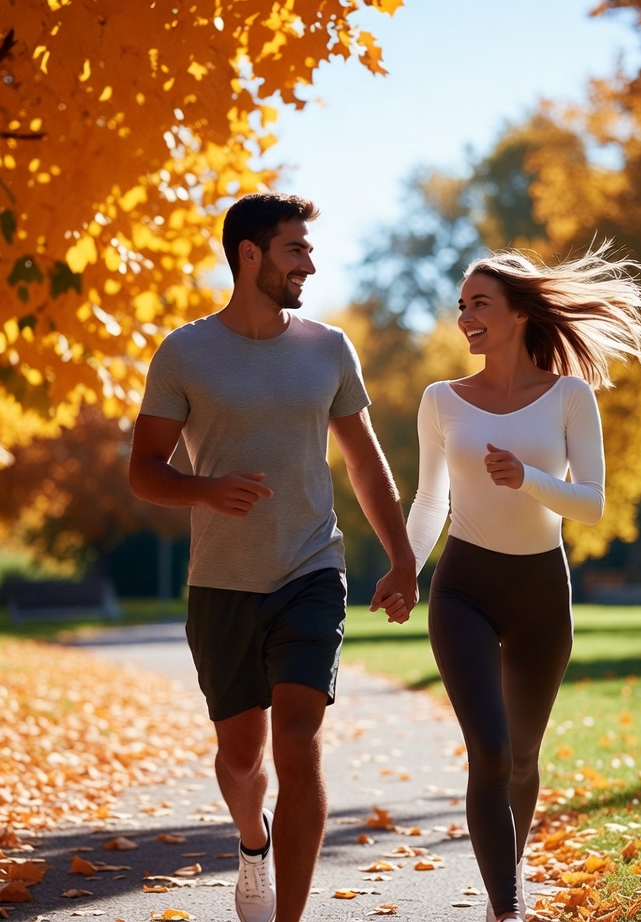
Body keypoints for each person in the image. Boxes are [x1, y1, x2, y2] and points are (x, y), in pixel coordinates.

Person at [128, 192, 417, 922]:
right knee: (242, 762)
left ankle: (287, 917)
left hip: (311, 569)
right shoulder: (186, 352)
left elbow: (365, 465)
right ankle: (250, 840)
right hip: (222, 583)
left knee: (299, 740)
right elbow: (144, 471)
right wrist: (205, 489)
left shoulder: (328, 348)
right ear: (249, 254)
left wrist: (404, 557)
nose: (311, 265)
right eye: (296, 250)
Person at [394, 242, 641, 921]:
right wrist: (405, 567)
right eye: (461, 306)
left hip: (541, 594)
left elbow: (592, 503)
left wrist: (530, 479)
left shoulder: (570, 396)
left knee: (523, 759)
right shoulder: (441, 400)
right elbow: (429, 503)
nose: (465, 318)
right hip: (464, 590)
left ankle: (507, 875)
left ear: (518, 313)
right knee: (490, 750)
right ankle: (505, 908)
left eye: (479, 304)